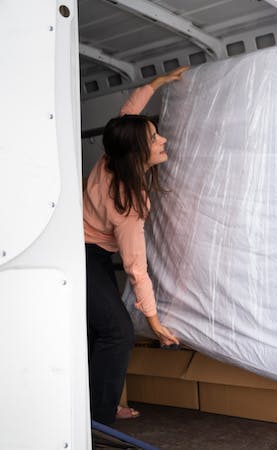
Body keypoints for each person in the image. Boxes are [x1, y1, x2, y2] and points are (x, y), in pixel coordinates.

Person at [83, 65, 189, 424]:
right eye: (155, 139)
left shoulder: (113, 154)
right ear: (137, 153)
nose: (163, 141)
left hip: (87, 250)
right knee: (118, 332)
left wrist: (156, 84)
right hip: (83, 253)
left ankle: (86, 406)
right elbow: (135, 267)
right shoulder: (127, 203)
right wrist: (154, 322)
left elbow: (127, 113)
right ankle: (99, 419)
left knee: (100, 326)